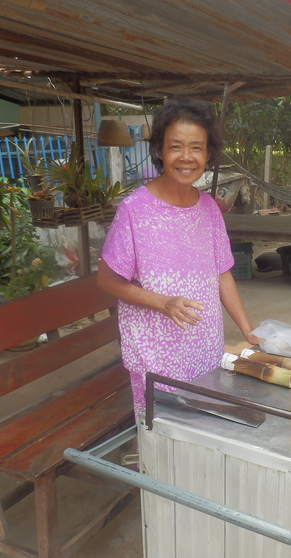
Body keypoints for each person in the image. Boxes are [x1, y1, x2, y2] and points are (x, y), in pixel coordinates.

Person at [97, 96, 261, 415]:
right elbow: (106, 279)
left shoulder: (209, 208)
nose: (186, 157)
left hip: (204, 346)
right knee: (164, 438)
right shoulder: (135, 210)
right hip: (156, 355)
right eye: (176, 146)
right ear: (159, 150)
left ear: (208, 153)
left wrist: (247, 330)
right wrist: (163, 303)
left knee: (202, 434)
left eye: (196, 147)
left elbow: (222, 272)